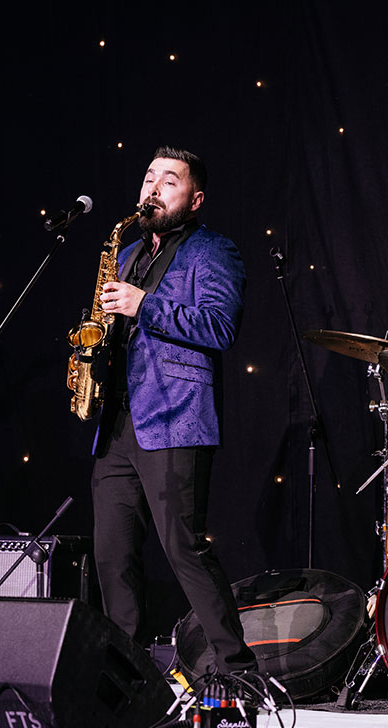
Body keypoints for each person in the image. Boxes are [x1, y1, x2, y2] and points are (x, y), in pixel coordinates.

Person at [91, 146, 256, 674]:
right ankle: (128, 670)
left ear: (195, 198)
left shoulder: (213, 251)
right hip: (116, 421)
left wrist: (145, 304)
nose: (153, 189)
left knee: (185, 548)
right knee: (112, 555)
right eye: (148, 179)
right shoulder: (126, 253)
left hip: (175, 417)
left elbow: (219, 328)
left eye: (169, 181)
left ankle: (237, 668)